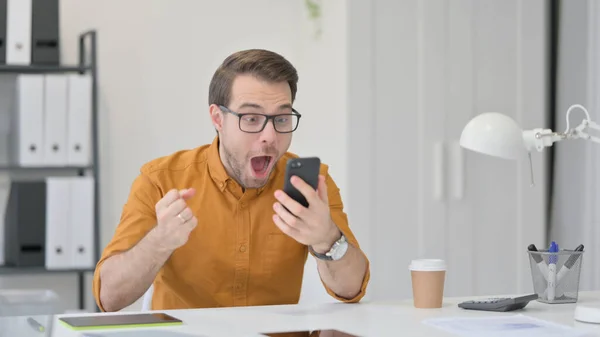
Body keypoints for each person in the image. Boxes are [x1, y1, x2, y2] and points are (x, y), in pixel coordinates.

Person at [92, 49, 370, 312]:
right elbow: (109, 297)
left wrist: (327, 239)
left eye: (282, 119)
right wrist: (159, 241)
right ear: (218, 118)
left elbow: (351, 289)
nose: (270, 137)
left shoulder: (312, 186)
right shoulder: (160, 180)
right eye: (251, 118)